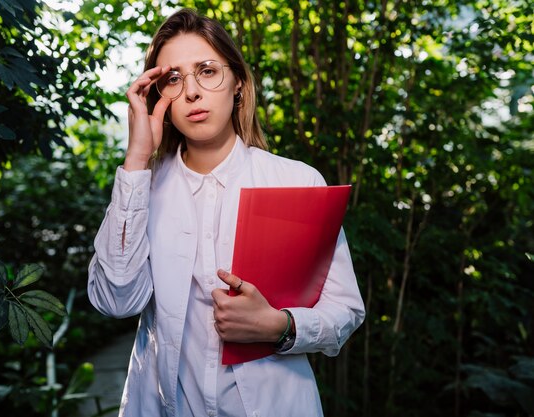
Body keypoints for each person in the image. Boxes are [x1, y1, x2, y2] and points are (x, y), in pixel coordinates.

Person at [87, 8, 365, 417]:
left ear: (237, 82)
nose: (192, 92)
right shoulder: (142, 187)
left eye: (207, 71)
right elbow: (116, 300)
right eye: (174, 79)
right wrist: (137, 158)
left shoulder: (298, 181)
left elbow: (345, 310)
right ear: (156, 96)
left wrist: (280, 325)